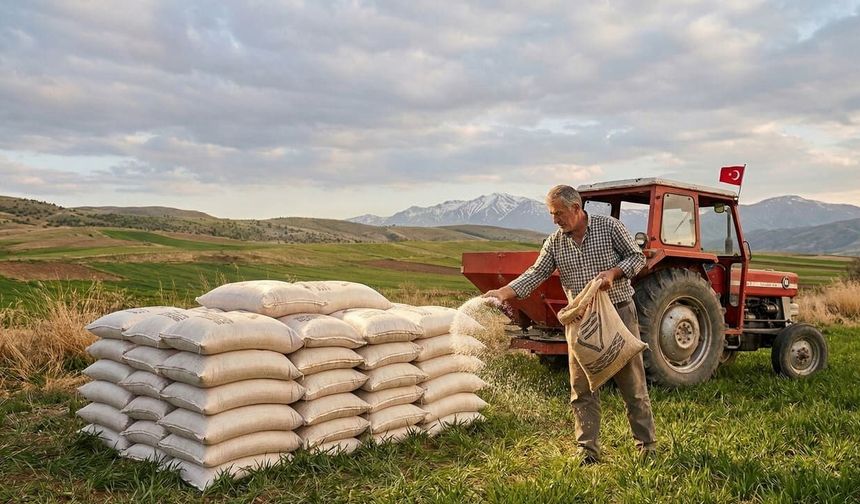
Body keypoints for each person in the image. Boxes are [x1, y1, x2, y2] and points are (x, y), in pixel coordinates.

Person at [483, 184, 656, 464]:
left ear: (576, 209)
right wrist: (503, 293)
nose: (555, 220)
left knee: (632, 386)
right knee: (582, 390)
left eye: (559, 213)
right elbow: (536, 273)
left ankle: (646, 447)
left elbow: (637, 258)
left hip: (618, 314)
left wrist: (613, 273)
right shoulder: (555, 241)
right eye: (552, 214)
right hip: (580, 320)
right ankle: (587, 452)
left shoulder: (609, 227)